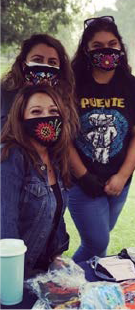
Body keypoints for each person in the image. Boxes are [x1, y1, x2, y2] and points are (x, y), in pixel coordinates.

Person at [69, 16, 135, 262]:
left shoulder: (132, 86)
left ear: (120, 48)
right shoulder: (72, 84)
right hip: (80, 180)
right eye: (97, 46)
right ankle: (64, 282)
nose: (106, 50)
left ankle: (86, 289)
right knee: (97, 241)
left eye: (112, 44)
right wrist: (83, 176)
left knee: (99, 241)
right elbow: (64, 137)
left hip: (118, 183)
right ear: (86, 50)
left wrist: (123, 176)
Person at [0, 85, 71, 277]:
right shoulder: (11, 156)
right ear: (21, 118)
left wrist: (57, 257)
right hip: (13, 273)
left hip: (43, 270)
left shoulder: (55, 158)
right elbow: (5, 225)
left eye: (53, 111)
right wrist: (14, 277)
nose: (46, 117)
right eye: (36, 111)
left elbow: (55, 215)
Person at [0, 34, 78, 134]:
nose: (45, 66)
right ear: (24, 65)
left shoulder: (65, 97)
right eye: (37, 60)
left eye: (52, 62)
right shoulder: (4, 93)